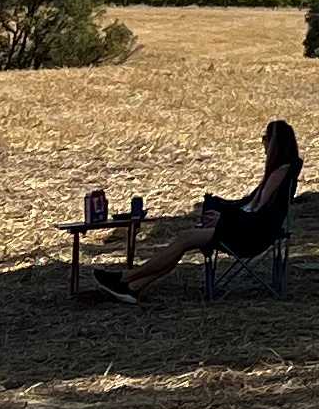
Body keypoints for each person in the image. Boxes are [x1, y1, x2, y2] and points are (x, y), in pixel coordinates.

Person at [87, 119, 300, 300]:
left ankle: (126, 278)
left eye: (265, 139)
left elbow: (257, 212)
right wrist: (221, 211)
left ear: (275, 144)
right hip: (244, 228)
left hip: (249, 235)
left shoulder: (280, 173)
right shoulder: (279, 172)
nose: (262, 144)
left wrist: (223, 217)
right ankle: (133, 287)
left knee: (184, 240)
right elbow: (250, 207)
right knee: (184, 242)